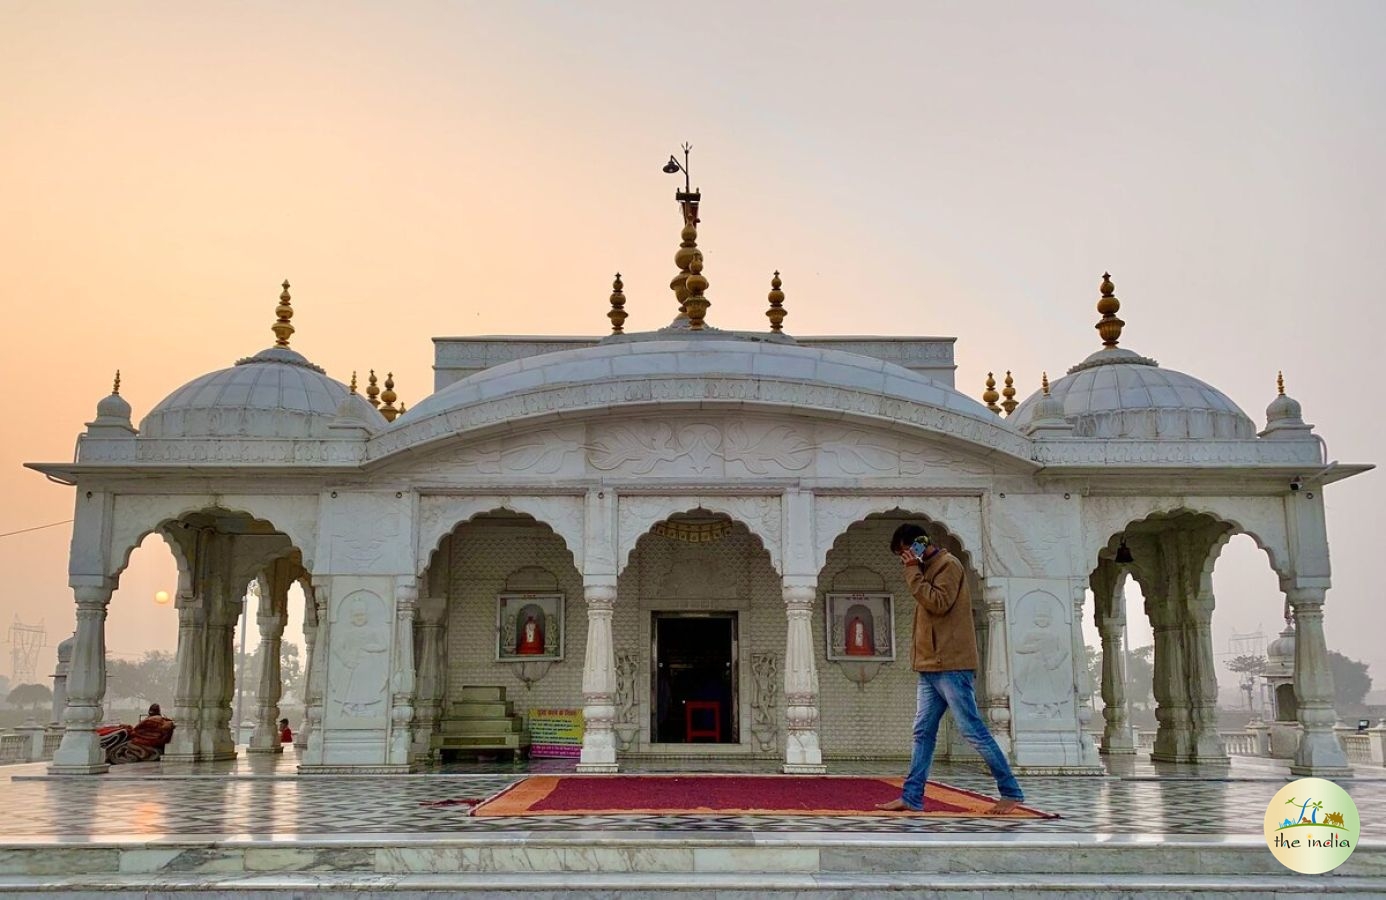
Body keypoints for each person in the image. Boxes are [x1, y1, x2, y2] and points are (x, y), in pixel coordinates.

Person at [876, 523, 1024, 815]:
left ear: (918, 545)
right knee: (922, 733)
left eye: (904, 552)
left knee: (973, 731)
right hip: (931, 666)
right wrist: (916, 571)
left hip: (952, 666)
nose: (903, 559)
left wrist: (912, 572)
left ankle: (1011, 791)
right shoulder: (928, 569)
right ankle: (912, 797)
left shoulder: (948, 565)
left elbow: (938, 603)